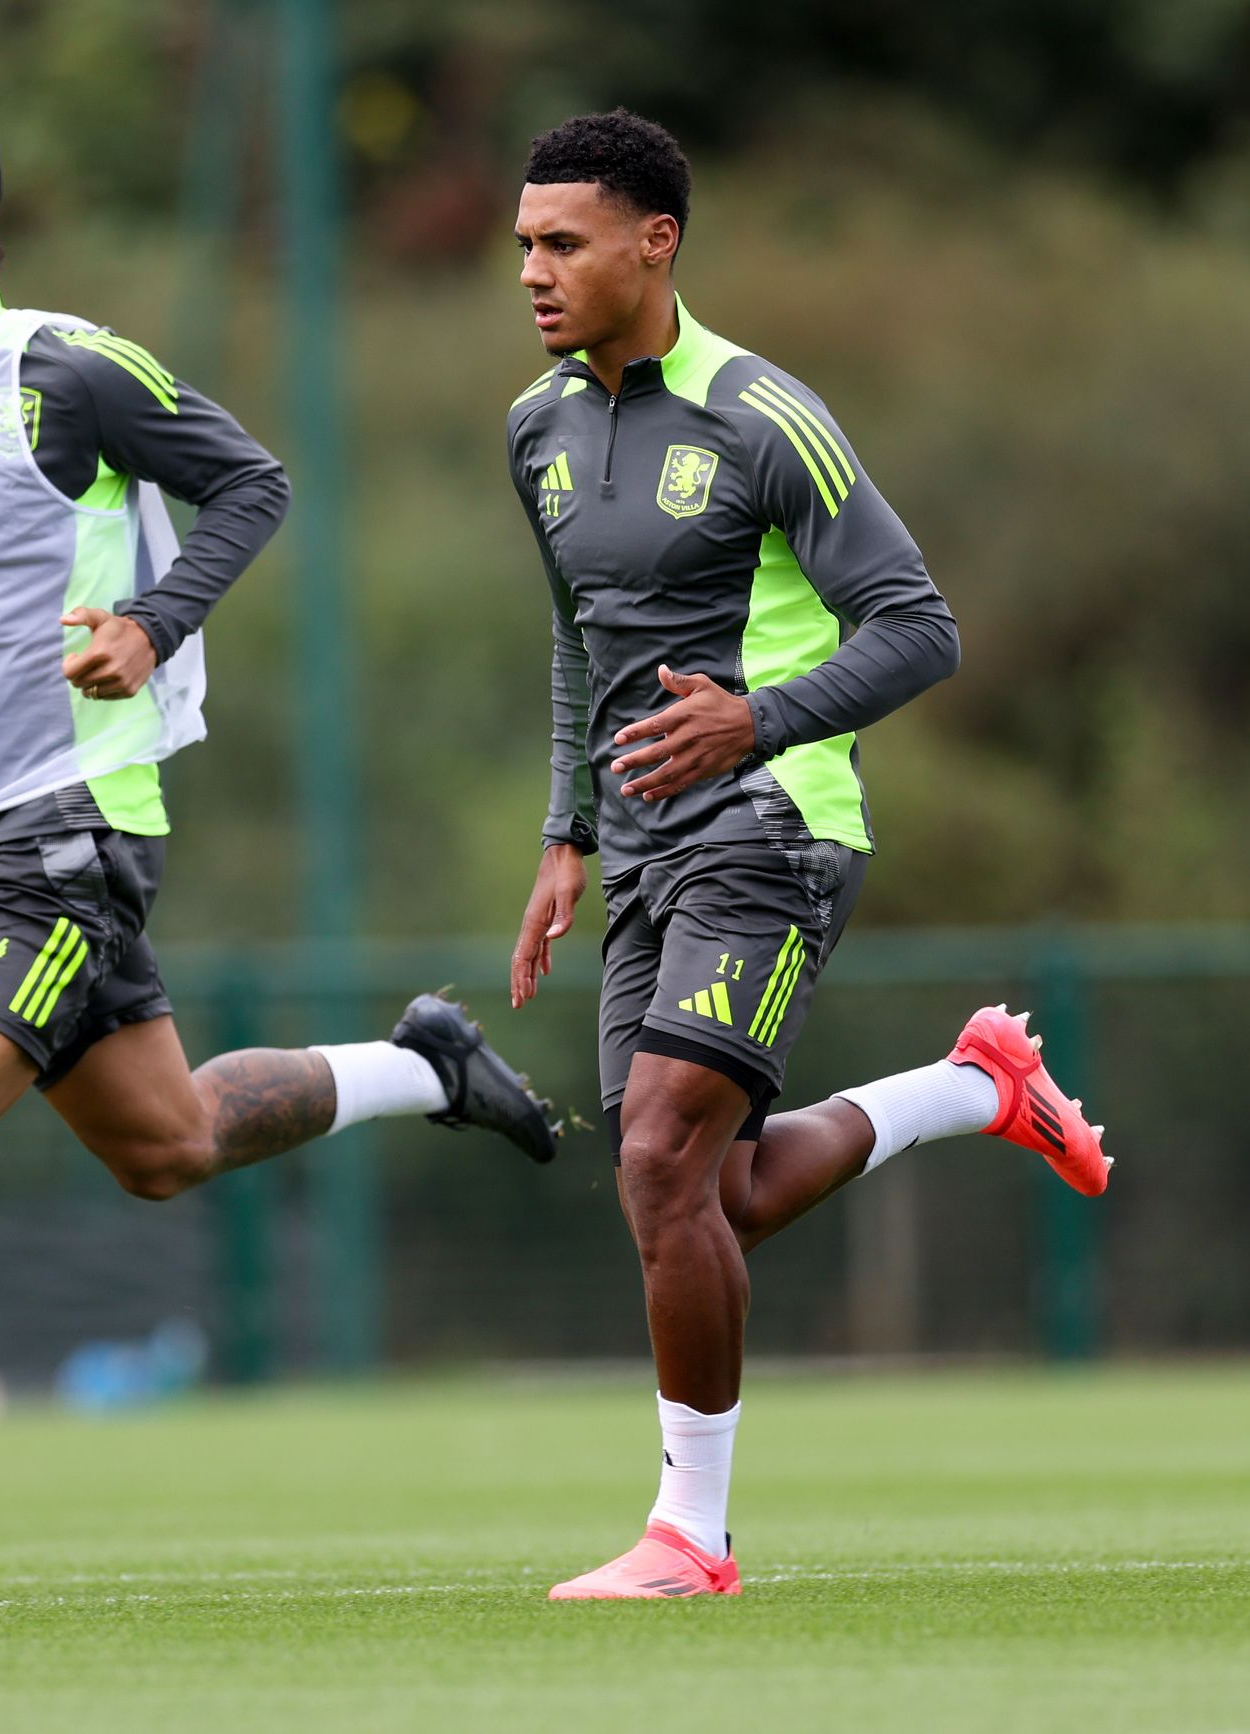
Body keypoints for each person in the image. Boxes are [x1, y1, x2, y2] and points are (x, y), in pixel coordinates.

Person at [0, 89, 556, 1578]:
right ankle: (423, 1064)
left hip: (72, 822)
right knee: (170, 1142)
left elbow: (253, 480)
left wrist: (152, 622)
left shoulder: (61, 373)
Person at [503, 110, 1110, 1600]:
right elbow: (580, 643)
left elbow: (921, 627)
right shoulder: (537, 427)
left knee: (658, 1158)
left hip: (779, 825)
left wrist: (757, 723)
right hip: (640, 848)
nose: (534, 269)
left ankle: (688, 1541)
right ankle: (974, 1086)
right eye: (523, 243)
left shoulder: (764, 416)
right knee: (708, 1193)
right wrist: (567, 831)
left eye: (562, 241)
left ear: (657, 242)